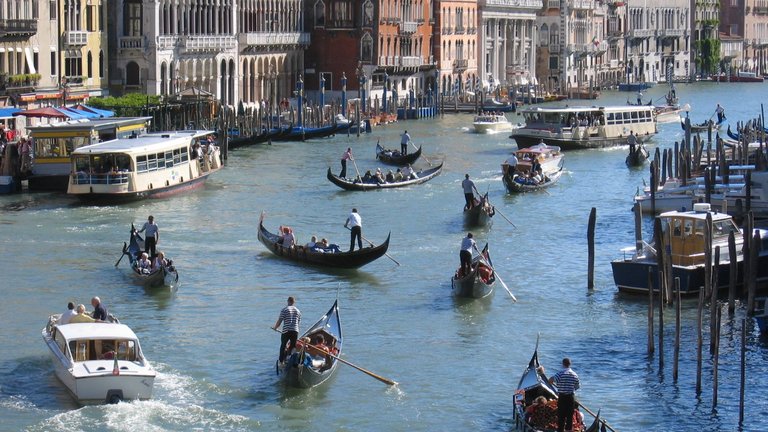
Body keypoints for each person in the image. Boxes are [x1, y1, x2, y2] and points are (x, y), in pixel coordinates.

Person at [548, 357, 580, 432]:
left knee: (561, 416)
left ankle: (560, 430)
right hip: (570, 397)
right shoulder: (575, 375)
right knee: (569, 416)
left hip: (562, 397)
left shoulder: (560, 374)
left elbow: (550, 380)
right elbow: (577, 387)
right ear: (570, 364)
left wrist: (558, 384)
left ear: (563, 364)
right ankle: (568, 430)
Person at [272, 296, 301, 365]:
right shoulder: (298, 311)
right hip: (295, 330)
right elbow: (298, 322)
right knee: (293, 346)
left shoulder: (284, 310)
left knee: (283, 345)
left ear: (288, 301)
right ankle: (291, 358)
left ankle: (281, 361)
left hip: (286, 330)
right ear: (294, 302)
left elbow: (280, 320)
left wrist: (275, 327)